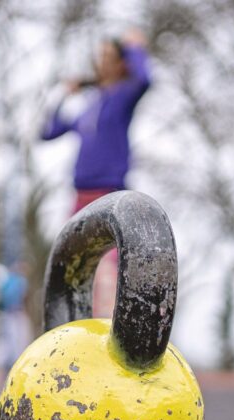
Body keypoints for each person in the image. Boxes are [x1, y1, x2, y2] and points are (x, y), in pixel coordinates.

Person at [41, 28, 151, 317]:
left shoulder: (122, 96)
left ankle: (110, 321)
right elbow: (48, 132)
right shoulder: (90, 105)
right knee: (68, 261)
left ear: (121, 63)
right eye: (99, 56)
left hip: (109, 193)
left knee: (106, 268)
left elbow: (144, 80)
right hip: (79, 197)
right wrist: (64, 95)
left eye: (108, 56)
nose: (101, 62)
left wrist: (135, 48)